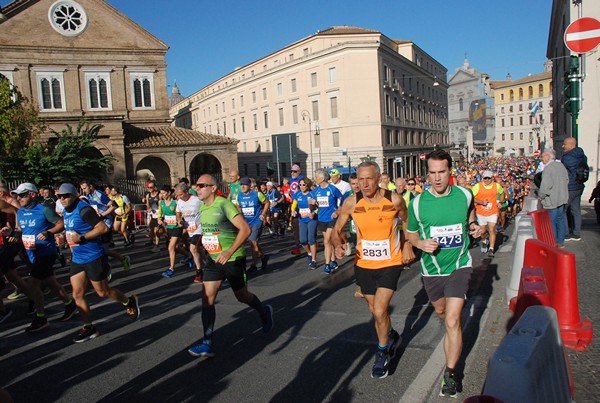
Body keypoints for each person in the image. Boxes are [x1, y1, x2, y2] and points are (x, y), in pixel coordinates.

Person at [406, 150, 484, 397]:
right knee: (442, 312)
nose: (437, 178)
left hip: (460, 265)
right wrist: (420, 244)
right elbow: (410, 234)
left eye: (442, 172)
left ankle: (451, 374)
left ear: (450, 171)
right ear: (427, 173)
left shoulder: (464, 194)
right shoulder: (417, 204)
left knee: (452, 320)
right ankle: (453, 331)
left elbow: (470, 214)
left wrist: (473, 226)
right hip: (432, 271)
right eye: (432, 173)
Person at [332, 161, 414, 379]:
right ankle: (391, 335)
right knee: (375, 309)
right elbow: (337, 229)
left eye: (369, 178)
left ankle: (382, 351)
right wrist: (338, 243)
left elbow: (408, 222)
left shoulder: (394, 199)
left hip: (390, 262)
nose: (365, 183)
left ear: (379, 178)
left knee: (379, 310)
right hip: (363, 264)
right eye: (360, 179)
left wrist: (407, 244)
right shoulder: (351, 202)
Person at [187, 174, 273, 358]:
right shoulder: (202, 207)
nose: (197, 189)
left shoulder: (224, 204)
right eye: (196, 186)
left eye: (201, 186)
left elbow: (245, 230)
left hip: (233, 259)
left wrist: (230, 251)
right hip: (213, 261)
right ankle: (207, 343)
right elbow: (209, 232)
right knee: (207, 299)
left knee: (242, 296)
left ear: (212, 188)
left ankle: (264, 311)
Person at [58, 183, 140, 342]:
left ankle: (129, 301)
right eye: (60, 196)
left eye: (66, 195)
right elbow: (72, 231)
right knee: (77, 294)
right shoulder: (65, 211)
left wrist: (81, 238)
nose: (62, 198)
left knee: (103, 292)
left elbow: (102, 228)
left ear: (74, 195)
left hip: (94, 256)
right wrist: (62, 237)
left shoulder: (84, 210)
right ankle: (89, 327)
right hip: (77, 259)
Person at [12, 182, 77, 332]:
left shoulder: (44, 210)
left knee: (33, 284)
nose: (18, 198)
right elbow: (19, 229)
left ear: (32, 195)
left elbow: (61, 224)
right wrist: (13, 234)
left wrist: (49, 232)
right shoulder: (20, 212)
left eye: (22, 195)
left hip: (46, 253)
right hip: (32, 253)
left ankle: (41, 317)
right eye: (17, 195)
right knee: (51, 283)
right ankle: (69, 304)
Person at [80, 181, 130, 272]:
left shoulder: (99, 194)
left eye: (84, 188)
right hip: (97, 225)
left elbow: (113, 205)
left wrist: (102, 215)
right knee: (100, 248)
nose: (83, 191)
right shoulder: (88, 196)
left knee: (102, 249)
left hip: (106, 224)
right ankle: (121, 259)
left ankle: (107, 268)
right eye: (82, 189)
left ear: (90, 186)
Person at [163, 183, 204, 282]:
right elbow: (178, 212)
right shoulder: (180, 202)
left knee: (193, 248)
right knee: (198, 249)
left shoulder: (197, 200)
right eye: (177, 195)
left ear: (186, 192)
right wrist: (179, 220)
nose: (179, 197)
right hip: (190, 229)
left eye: (181, 194)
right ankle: (207, 263)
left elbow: (207, 208)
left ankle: (199, 271)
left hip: (200, 227)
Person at [309, 169, 342, 275]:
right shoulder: (315, 191)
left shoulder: (333, 189)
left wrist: (337, 211)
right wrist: (312, 204)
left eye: (316, 177)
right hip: (321, 219)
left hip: (331, 218)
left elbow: (342, 200)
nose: (315, 179)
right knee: (328, 241)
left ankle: (327, 264)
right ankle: (333, 261)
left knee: (326, 241)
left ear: (322, 178)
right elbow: (311, 206)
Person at [537, 148, 569, 247]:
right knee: (560, 220)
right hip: (562, 197)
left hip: (551, 199)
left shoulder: (548, 168)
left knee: (552, 222)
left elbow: (544, 187)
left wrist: (541, 197)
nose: (541, 158)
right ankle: (561, 241)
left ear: (547, 156)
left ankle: (553, 243)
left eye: (542, 156)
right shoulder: (561, 165)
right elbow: (567, 180)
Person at [237, 177, 270, 274]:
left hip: (256, 221)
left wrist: (263, 214)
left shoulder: (257, 194)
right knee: (252, 243)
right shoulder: (238, 196)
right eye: (241, 185)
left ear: (249, 185)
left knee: (253, 242)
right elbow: (238, 206)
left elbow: (267, 202)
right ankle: (263, 257)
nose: (242, 186)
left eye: (245, 185)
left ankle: (253, 265)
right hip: (246, 222)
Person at [471, 170, 504, 257]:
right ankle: (484, 241)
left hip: (493, 211)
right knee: (483, 231)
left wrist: (500, 202)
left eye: (488, 178)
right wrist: (481, 202)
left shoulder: (497, 186)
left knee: (492, 229)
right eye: (485, 178)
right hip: (481, 212)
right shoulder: (478, 186)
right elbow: (472, 197)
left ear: (492, 178)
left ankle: (491, 249)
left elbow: (502, 193)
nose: (486, 180)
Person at [561, 137, 587, 241]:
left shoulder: (567, 158)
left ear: (571, 145)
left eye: (565, 144)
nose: (563, 146)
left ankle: (566, 233)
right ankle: (576, 233)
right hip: (579, 186)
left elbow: (563, 171)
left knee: (563, 209)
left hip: (570, 187)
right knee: (576, 210)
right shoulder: (582, 155)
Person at [291, 178, 318, 269]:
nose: (302, 187)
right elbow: (294, 205)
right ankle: (309, 253)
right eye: (300, 185)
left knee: (311, 239)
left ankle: (314, 260)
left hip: (311, 219)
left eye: (304, 185)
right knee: (302, 240)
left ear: (308, 185)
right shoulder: (297, 194)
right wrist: (293, 211)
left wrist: (314, 212)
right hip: (301, 219)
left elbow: (318, 206)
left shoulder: (312, 194)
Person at [289, 164, 305, 255]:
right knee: (295, 225)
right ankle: (297, 246)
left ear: (299, 172)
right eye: (291, 171)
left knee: (304, 225)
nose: (293, 173)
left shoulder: (302, 179)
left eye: (295, 171)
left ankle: (310, 243)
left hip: (303, 204)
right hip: (295, 204)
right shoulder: (291, 180)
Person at [144, 180, 161, 252]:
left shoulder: (159, 195)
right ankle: (152, 241)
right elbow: (147, 204)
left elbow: (161, 204)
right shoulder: (148, 195)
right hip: (152, 214)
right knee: (151, 229)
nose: (149, 189)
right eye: (148, 188)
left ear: (154, 187)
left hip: (158, 214)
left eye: (151, 187)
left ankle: (157, 246)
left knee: (156, 230)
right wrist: (148, 208)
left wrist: (159, 213)